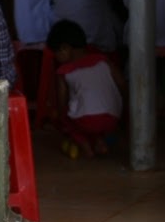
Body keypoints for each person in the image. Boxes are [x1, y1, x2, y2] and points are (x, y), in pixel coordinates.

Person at [46, 20, 125, 159]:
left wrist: (60, 120)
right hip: (113, 118)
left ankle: (86, 147)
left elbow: (62, 102)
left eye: (56, 54)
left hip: (87, 121)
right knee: (92, 112)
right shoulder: (103, 60)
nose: (56, 59)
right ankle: (100, 142)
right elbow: (122, 84)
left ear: (65, 49)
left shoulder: (64, 71)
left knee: (67, 119)